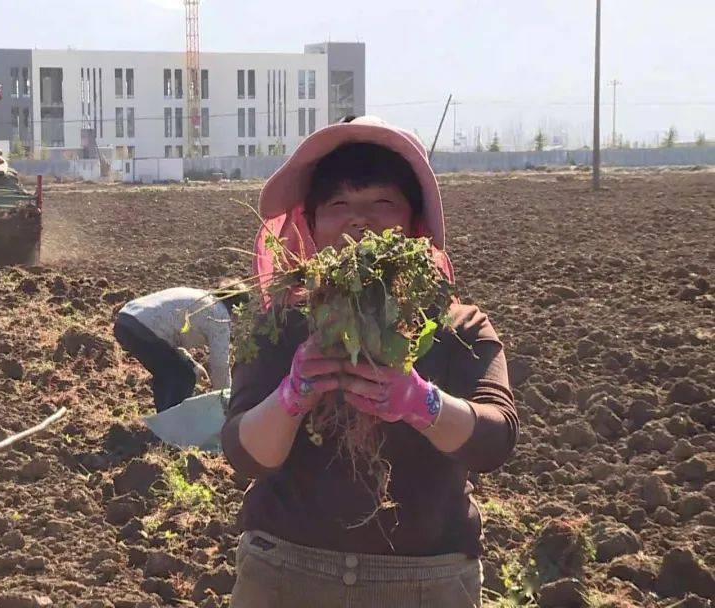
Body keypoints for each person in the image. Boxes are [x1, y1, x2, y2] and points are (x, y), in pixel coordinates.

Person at [222, 116, 517, 607]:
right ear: (310, 225)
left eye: (382, 202)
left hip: (426, 584)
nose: (359, 220)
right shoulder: (282, 327)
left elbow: (496, 440)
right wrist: (291, 398)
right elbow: (244, 455)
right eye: (338, 204)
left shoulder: (457, 329)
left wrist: (424, 403)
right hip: (285, 575)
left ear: (414, 223)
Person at [114, 283, 248, 412]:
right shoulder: (220, 317)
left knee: (169, 372)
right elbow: (220, 366)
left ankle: (164, 422)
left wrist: (192, 364)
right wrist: (227, 403)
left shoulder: (202, 298)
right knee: (183, 376)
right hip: (144, 329)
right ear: (237, 309)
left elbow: (167, 340)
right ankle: (171, 426)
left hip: (126, 321)